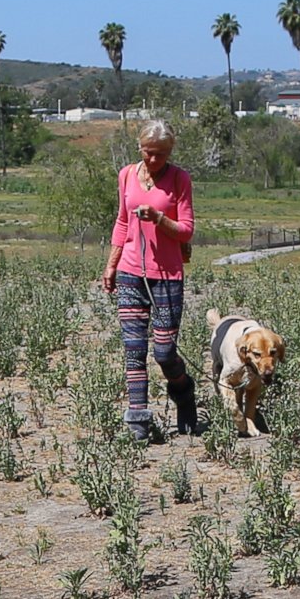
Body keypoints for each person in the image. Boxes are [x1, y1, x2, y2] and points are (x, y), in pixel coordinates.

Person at [99, 120, 198, 442]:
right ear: (140, 148)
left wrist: (159, 219)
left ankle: (183, 392)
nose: (154, 160)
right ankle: (138, 423)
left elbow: (186, 230)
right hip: (131, 272)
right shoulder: (127, 174)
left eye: (161, 154)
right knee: (134, 349)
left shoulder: (179, 179)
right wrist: (111, 265)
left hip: (167, 276)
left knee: (164, 352)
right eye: (149, 153)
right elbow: (122, 220)